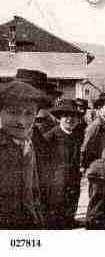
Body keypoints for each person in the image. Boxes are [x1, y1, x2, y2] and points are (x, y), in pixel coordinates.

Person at [0, 76, 50, 229]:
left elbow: (33, 193)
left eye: (29, 114)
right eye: (13, 112)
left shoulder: (28, 145)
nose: (21, 121)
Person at [81, 92, 105, 229]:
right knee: (97, 199)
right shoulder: (96, 124)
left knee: (103, 199)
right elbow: (85, 146)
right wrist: (85, 166)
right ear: (99, 109)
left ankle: (100, 223)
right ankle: (93, 225)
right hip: (99, 169)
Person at [44, 99, 83, 229]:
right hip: (56, 179)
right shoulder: (51, 136)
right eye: (66, 116)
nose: (70, 119)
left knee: (72, 198)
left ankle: (69, 220)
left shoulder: (77, 135)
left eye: (73, 116)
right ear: (60, 118)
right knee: (57, 203)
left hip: (74, 175)